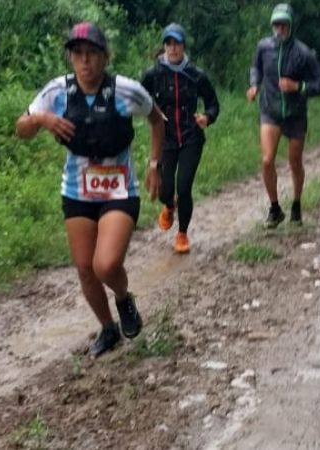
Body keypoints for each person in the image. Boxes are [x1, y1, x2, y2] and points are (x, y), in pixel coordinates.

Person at [15, 22, 165, 357]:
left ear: (105, 57)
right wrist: (42, 120)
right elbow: (20, 128)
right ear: (71, 58)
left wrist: (156, 165)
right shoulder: (57, 91)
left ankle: (124, 299)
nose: (85, 62)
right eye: (78, 54)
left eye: (92, 54)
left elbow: (157, 119)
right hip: (77, 190)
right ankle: (108, 328)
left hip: (119, 188)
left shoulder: (125, 90)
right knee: (84, 268)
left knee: (106, 265)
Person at [246, 3, 320, 228]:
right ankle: (275, 209)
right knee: (266, 160)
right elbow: (256, 68)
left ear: (290, 25)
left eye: (283, 24)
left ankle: (296, 204)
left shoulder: (303, 53)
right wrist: (254, 85)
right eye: (276, 24)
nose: (279, 28)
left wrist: (298, 86)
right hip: (270, 110)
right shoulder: (264, 47)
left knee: (294, 162)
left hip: (295, 115)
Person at [141, 23, 220, 254]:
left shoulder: (196, 75)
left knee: (184, 187)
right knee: (165, 190)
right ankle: (168, 205)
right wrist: (152, 111)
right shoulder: (153, 74)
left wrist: (207, 117)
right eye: (169, 44)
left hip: (191, 137)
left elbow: (213, 104)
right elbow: (138, 97)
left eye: (177, 44)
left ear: (183, 46)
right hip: (165, 138)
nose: (173, 48)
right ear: (164, 46)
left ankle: (182, 233)